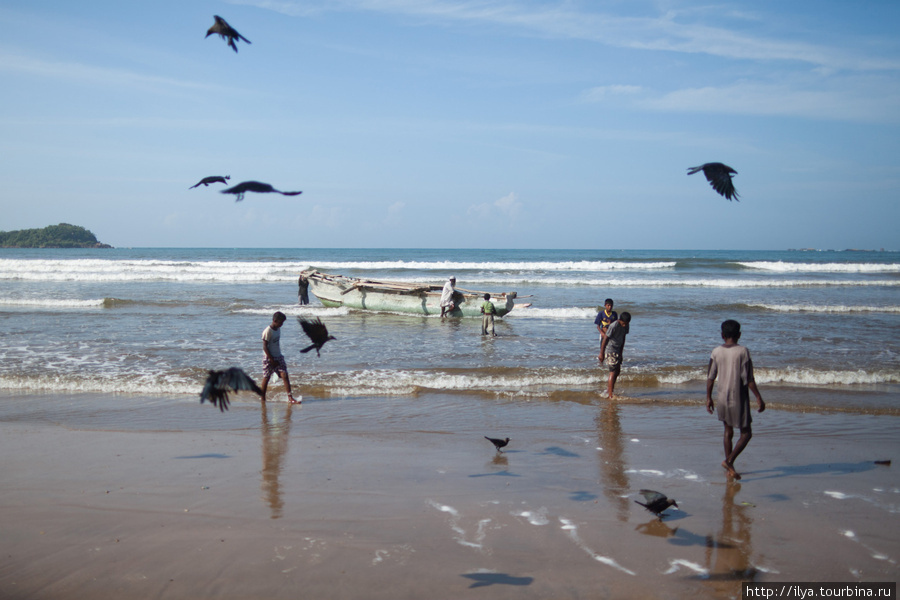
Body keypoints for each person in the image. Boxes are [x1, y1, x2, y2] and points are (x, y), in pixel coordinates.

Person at [706, 319, 765, 480]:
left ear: (722, 335)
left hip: (722, 397)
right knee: (746, 433)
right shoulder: (743, 351)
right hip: (738, 397)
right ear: (739, 334)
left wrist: (708, 398)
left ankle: (729, 468)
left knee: (728, 431)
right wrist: (759, 397)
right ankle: (729, 461)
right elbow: (749, 378)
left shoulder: (716, 351)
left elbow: (710, 377)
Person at [261, 311, 299, 404]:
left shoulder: (278, 329)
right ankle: (262, 398)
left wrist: (277, 357)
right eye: (280, 322)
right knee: (266, 377)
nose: (281, 324)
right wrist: (271, 359)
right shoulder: (267, 331)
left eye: (282, 323)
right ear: (274, 320)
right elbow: (265, 347)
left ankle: (290, 397)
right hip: (269, 358)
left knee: (284, 375)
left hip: (278, 356)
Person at [600, 312, 631, 398]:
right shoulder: (613, 326)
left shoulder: (626, 325)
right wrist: (601, 353)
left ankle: (609, 389)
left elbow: (623, 338)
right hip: (610, 349)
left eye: (626, 324)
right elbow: (605, 338)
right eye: (623, 323)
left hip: (618, 350)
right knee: (613, 371)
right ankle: (610, 395)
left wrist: (621, 352)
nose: (624, 325)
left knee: (617, 371)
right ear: (620, 320)